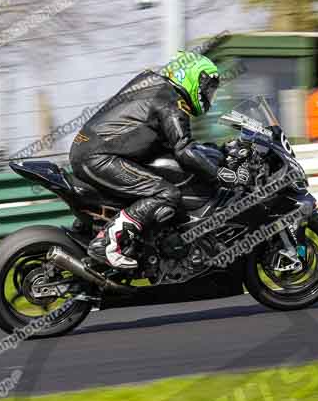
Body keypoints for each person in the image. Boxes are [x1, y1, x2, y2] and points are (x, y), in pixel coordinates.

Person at [69, 52, 231, 269]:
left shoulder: (154, 87)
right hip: (99, 157)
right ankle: (105, 243)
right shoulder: (170, 103)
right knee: (167, 193)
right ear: (194, 78)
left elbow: (161, 140)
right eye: (208, 87)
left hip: (90, 150)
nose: (208, 95)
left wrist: (215, 151)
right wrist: (218, 174)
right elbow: (183, 149)